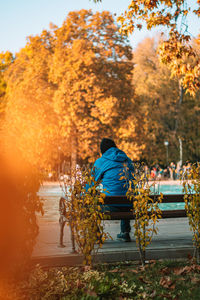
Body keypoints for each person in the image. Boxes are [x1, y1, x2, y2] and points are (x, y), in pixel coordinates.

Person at [91, 138, 135, 242]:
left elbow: (90, 184)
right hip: (130, 204)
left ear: (102, 151)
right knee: (125, 192)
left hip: (111, 206)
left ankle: (96, 235)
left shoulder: (101, 162)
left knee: (88, 207)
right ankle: (125, 232)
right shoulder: (127, 160)